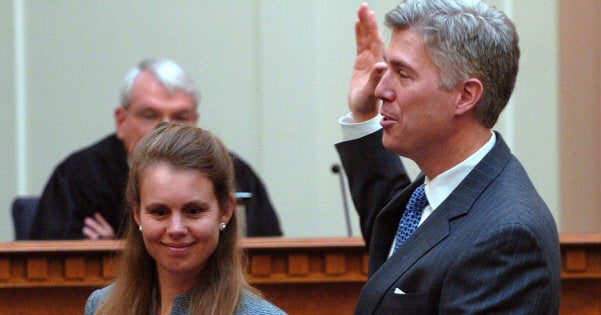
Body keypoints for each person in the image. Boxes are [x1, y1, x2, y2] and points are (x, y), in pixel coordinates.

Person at [335, 1, 561, 313]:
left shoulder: (507, 237)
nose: (380, 89)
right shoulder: (437, 191)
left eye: (401, 73)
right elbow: (398, 243)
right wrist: (364, 115)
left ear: (465, 96)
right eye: (386, 68)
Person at [30, 57, 282, 240]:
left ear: (195, 119)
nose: (165, 128)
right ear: (121, 120)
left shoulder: (233, 174)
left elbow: (266, 257)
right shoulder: (78, 176)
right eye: (150, 115)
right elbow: (48, 265)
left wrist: (118, 245)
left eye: (180, 116)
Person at [84, 123, 286, 314]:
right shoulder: (102, 306)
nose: (176, 229)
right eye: (160, 212)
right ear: (137, 214)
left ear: (225, 210)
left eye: (194, 211)